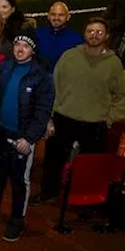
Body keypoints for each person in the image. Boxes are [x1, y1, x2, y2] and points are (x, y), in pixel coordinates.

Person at [39, 18, 125, 203]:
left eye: (99, 32)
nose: (94, 35)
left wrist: (109, 119)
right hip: (64, 117)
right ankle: (49, 193)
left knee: (90, 165)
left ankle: (84, 199)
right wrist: (50, 116)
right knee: (53, 160)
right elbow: (54, 87)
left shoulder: (114, 64)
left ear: (107, 36)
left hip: (95, 123)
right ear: (84, 33)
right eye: (90, 31)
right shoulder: (69, 56)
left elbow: (122, 96)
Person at [0, 34, 54, 242]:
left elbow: (42, 111)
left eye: (25, 46)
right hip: (0, 131)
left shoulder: (41, 76)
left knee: (20, 180)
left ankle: (16, 220)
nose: (20, 49)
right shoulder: (5, 67)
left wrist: (29, 138)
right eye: (17, 44)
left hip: (21, 137)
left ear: (33, 50)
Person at [35, 2, 83, 71]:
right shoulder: (38, 35)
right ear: (48, 16)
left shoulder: (76, 40)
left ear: (68, 17)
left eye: (61, 15)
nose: (56, 18)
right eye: (53, 14)